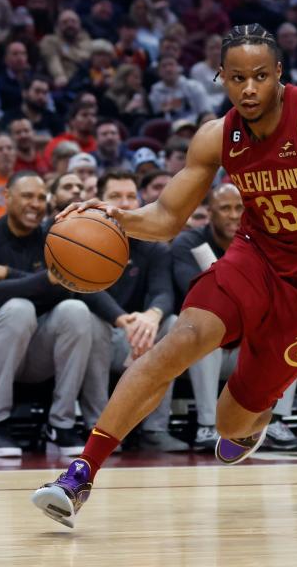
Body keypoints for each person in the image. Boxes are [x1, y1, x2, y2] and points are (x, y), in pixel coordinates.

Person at [32, 24, 297, 528]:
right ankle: (79, 475)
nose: (248, 89)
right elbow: (165, 217)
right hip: (253, 260)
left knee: (232, 426)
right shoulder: (216, 135)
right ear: (221, 78)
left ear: (278, 75)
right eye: (235, 78)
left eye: (259, 77)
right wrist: (118, 218)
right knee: (176, 344)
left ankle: (256, 414)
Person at [0, 172, 120, 457]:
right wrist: (47, 279)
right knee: (19, 309)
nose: (35, 204)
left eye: (40, 197)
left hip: (32, 349)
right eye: (27, 196)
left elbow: (73, 287)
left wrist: (4, 273)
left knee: (75, 310)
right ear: (6, 197)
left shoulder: (54, 239)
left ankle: (61, 424)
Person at [172, 184, 297, 452]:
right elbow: (197, 292)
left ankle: (276, 420)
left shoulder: (261, 242)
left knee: (291, 326)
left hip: (247, 343)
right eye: (225, 208)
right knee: (207, 326)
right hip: (201, 353)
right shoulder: (188, 243)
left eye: (239, 208)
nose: (233, 215)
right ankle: (207, 425)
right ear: (209, 213)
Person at [97, 171, 188, 452]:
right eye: (115, 197)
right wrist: (121, 318)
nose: (124, 203)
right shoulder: (84, 236)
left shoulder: (153, 245)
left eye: (129, 196)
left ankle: (154, 429)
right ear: (100, 201)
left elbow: (164, 291)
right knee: (80, 319)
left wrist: (152, 315)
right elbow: (81, 290)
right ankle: (96, 427)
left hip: (138, 334)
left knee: (171, 323)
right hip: (101, 331)